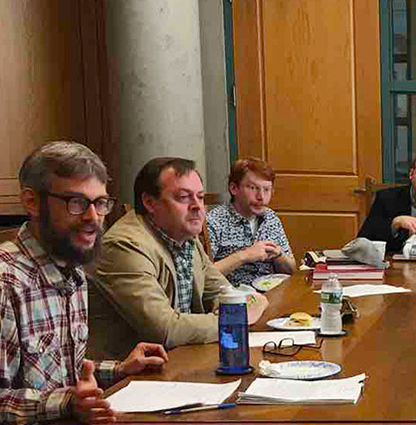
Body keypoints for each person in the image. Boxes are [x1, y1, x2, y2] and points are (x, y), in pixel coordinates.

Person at [2, 141, 168, 424]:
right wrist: (66, 403)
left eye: (100, 203)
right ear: (32, 202)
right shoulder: (7, 283)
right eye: (76, 203)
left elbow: (63, 372)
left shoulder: (74, 270)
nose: (94, 218)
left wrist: (119, 369)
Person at [88, 157, 269, 359]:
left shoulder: (186, 238)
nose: (197, 207)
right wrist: (238, 317)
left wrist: (238, 306)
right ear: (149, 202)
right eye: (184, 197)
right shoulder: (124, 246)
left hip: (179, 362)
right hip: (127, 378)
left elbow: (226, 294)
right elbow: (165, 329)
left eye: (200, 197)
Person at [206, 158, 295, 286]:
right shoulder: (215, 221)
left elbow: (292, 269)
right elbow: (203, 277)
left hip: (274, 294)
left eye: (267, 189)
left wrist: (279, 255)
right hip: (235, 299)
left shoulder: (271, 218)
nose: (261, 197)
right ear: (234, 188)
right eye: (253, 188)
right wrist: (244, 256)